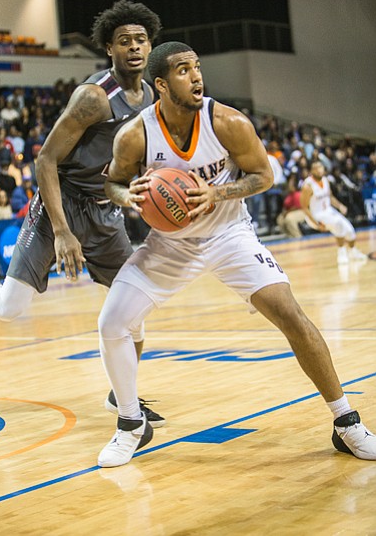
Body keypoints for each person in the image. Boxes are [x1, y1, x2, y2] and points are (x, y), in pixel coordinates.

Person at [96, 41, 376, 468]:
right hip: (169, 246)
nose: (196, 76)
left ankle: (346, 422)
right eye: (183, 70)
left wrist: (219, 191)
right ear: (160, 84)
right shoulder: (136, 133)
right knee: (112, 322)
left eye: (197, 68)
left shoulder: (227, 121)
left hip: (229, 234)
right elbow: (112, 182)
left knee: (291, 314)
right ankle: (132, 424)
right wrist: (128, 195)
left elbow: (264, 175)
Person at [0, 0, 164, 428]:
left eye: (141, 40)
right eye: (124, 41)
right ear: (108, 48)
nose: (134, 48)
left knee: (135, 308)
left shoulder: (150, 96)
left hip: (105, 210)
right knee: (8, 308)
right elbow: (45, 161)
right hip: (61, 202)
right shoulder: (93, 97)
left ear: (151, 46)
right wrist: (62, 231)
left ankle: (120, 395)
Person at [300, 161, 367, 264]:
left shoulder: (326, 180)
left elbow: (329, 197)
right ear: (311, 171)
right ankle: (342, 253)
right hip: (316, 215)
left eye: (320, 167)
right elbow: (304, 207)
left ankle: (353, 252)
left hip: (329, 211)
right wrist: (316, 223)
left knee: (350, 230)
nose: (319, 170)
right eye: (316, 168)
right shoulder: (308, 186)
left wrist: (340, 206)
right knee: (338, 225)